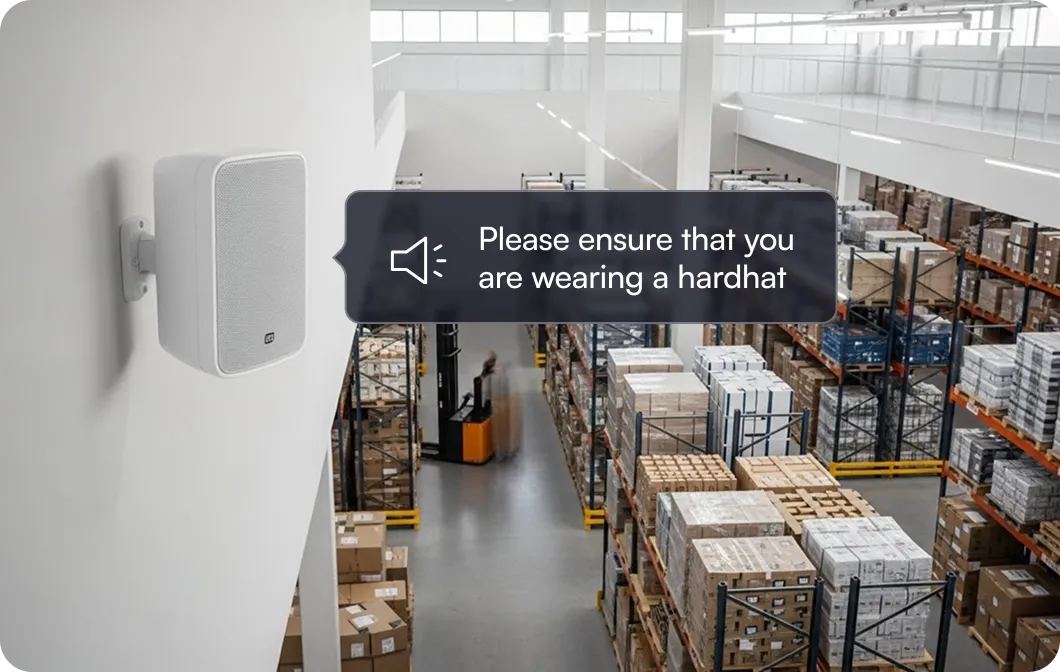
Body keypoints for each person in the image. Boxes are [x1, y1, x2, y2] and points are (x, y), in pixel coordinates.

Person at [481, 351, 521, 460]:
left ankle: (502, 449)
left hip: (493, 402)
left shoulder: (493, 374)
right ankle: (502, 449)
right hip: (490, 401)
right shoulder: (488, 373)